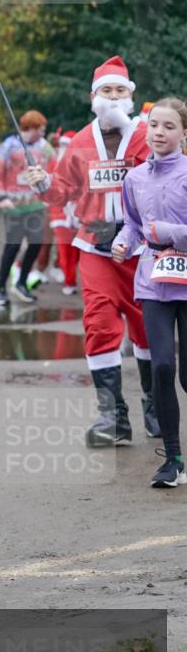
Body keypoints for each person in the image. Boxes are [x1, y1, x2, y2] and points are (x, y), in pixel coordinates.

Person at [26, 56, 160, 446]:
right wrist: (41, 184)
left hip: (140, 252)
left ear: (131, 96)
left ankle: (153, 403)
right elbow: (62, 190)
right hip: (96, 247)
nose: (113, 96)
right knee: (99, 327)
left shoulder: (146, 135)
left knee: (146, 333)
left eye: (120, 90)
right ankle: (112, 415)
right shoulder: (82, 142)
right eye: (107, 90)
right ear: (93, 97)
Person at [111, 98, 187, 487]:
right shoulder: (134, 178)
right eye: (154, 125)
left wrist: (167, 233)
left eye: (169, 126)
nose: (158, 132)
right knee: (160, 367)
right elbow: (134, 226)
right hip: (153, 280)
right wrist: (123, 243)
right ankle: (172, 459)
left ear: (183, 134)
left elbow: (158, 229)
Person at [0, 110, 54, 305]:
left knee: (35, 244)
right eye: (41, 129)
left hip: (35, 205)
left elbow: (55, 169)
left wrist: (50, 191)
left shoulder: (45, 148)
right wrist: (1, 197)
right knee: (13, 246)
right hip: (14, 207)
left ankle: (22, 283)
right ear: (31, 128)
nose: (43, 133)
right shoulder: (9, 146)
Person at [47, 130, 80, 295]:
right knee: (65, 248)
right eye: (63, 146)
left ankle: (66, 274)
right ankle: (69, 281)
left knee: (76, 251)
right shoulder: (54, 164)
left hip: (77, 213)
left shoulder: (81, 164)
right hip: (59, 213)